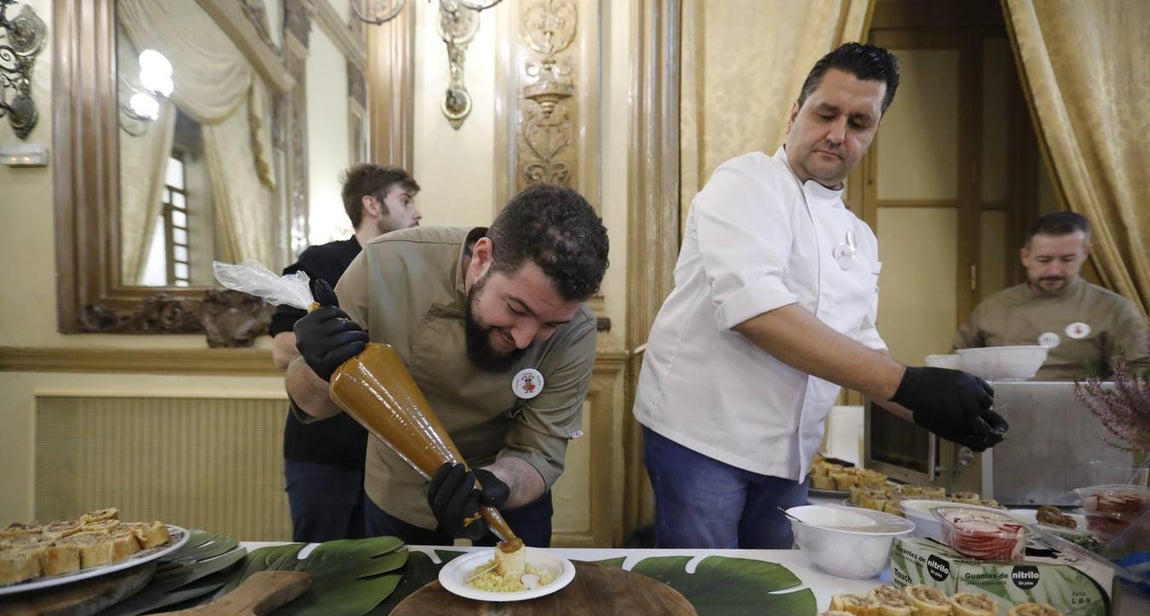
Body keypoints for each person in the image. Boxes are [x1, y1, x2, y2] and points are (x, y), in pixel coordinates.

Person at [632, 42, 1007, 550]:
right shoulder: (745, 182)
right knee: (707, 589)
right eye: (826, 113)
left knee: (772, 590)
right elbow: (758, 313)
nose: (837, 134)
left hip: (790, 454)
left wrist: (933, 412)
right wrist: (909, 384)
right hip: (704, 439)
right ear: (795, 113)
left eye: (858, 122)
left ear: (873, 132)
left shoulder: (858, 236)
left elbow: (860, 346)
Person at [284, 183, 610, 548]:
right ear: (483, 258)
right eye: (516, 309)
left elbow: (541, 450)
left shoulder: (577, 329)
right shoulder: (387, 267)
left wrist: (496, 484)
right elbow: (311, 404)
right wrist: (319, 364)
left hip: (506, 492)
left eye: (550, 325)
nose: (524, 338)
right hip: (398, 487)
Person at [269, 164, 422, 542]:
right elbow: (280, 349)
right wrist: (336, 340)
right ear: (372, 204)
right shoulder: (321, 262)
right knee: (324, 572)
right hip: (327, 451)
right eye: (405, 200)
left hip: (396, 457)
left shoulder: (418, 270)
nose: (417, 212)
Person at [953, 211, 1149, 380]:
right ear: (1025, 257)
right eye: (1044, 260)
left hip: (1085, 415)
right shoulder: (994, 307)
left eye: (1067, 259)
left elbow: (1141, 370)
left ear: (1085, 253)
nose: (1054, 270)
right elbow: (956, 363)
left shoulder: (1112, 308)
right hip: (1001, 413)